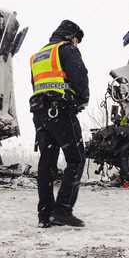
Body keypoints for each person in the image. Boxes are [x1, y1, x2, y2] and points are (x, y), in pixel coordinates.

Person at [29, 20, 89, 228]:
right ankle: (62, 210)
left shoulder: (38, 56)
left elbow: (36, 84)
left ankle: (44, 215)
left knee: (47, 163)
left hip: (40, 113)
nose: (77, 44)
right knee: (76, 159)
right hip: (60, 110)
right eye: (77, 40)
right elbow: (80, 78)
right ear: (71, 36)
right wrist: (81, 101)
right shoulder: (67, 49)